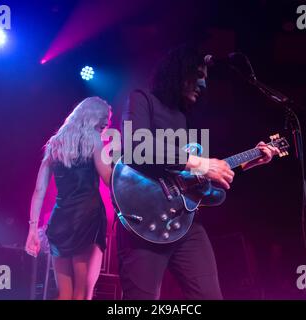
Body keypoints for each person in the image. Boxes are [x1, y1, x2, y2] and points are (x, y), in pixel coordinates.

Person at [117, 45, 280, 300]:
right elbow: (137, 146)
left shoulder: (184, 118)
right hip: (143, 222)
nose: (203, 84)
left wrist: (250, 162)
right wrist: (202, 164)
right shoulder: (142, 98)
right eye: (199, 75)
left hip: (186, 225)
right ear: (180, 72)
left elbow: (198, 180)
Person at [25, 97, 112, 300]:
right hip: (87, 218)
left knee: (65, 293)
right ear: (95, 119)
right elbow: (107, 178)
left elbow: (39, 191)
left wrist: (32, 229)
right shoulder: (93, 138)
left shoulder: (55, 143)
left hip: (60, 221)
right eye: (104, 123)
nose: (104, 128)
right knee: (83, 293)